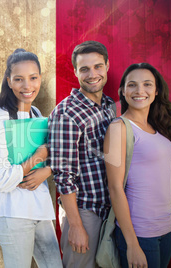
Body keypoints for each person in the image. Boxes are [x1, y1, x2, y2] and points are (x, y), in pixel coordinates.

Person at [0, 49, 62, 268]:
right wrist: (37, 157)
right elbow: (0, 180)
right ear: (9, 81)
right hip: (14, 215)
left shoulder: (36, 114)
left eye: (33, 78)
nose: (27, 86)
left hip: (41, 210)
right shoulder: (0, 118)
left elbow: (52, 158)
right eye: (19, 79)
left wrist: (46, 170)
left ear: (40, 78)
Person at [104, 63, 171, 268]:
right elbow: (114, 188)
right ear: (123, 91)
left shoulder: (156, 127)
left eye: (147, 84)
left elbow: (155, 182)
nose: (140, 91)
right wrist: (131, 244)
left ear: (156, 90)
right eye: (132, 85)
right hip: (140, 233)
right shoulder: (117, 128)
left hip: (167, 227)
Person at [48, 40, 115, 267]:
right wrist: (76, 226)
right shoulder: (67, 113)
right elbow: (63, 175)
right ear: (75, 72)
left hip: (109, 211)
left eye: (97, 66)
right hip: (85, 213)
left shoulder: (107, 105)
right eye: (84, 69)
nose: (92, 74)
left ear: (107, 66)